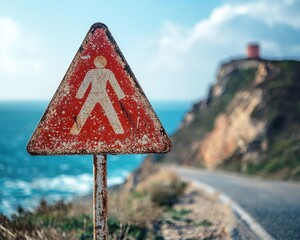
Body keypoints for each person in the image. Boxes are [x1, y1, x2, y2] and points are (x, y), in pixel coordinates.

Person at [70, 56, 125, 135]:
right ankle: (119, 130)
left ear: (95, 62)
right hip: (103, 94)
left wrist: (80, 95)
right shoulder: (108, 72)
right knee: (111, 112)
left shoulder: (91, 72)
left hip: (93, 94)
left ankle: (75, 131)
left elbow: (85, 84)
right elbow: (114, 84)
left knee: (84, 112)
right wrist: (120, 95)